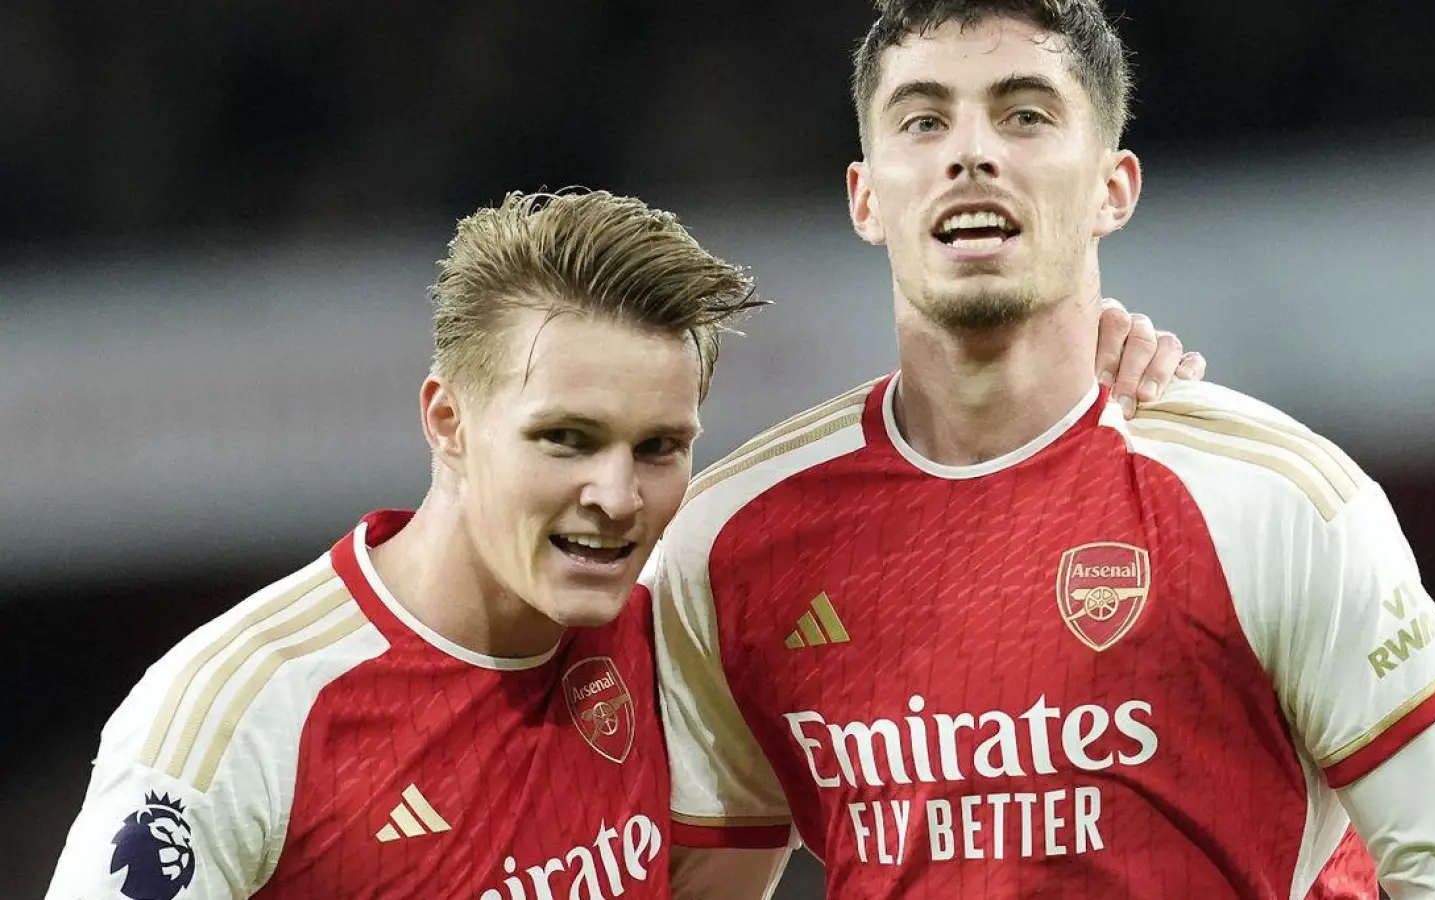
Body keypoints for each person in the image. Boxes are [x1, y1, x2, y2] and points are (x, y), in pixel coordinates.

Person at [43, 188, 1196, 900]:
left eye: (657, 447)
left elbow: (962, 537)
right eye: (566, 439)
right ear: (447, 419)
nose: (614, 495)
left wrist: (1076, 383)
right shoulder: (238, 716)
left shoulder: (690, 621)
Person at [651, 3, 1435, 899]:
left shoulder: (1274, 498)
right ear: (867, 198)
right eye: (923, 120)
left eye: (1024, 114)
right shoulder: (729, 540)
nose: (972, 152)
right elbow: (710, 873)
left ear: (1115, 187)